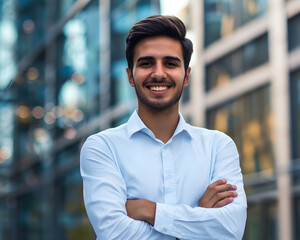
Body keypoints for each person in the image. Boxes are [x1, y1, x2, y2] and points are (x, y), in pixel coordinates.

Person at [80, 15, 247, 240]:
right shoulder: (102, 147)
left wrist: (149, 210)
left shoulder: (218, 146)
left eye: (170, 63)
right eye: (147, 63)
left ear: (186, 76)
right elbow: (115, 234)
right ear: (130, 76)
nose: (158, 73)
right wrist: (200, 216)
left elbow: (230, 230)